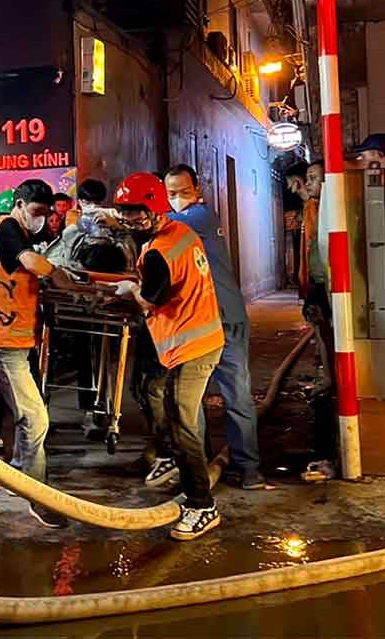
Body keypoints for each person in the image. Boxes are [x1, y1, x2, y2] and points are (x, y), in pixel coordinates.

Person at [113, 173, 225, 541]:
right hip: (201, 338)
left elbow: (151, 301)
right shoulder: (180, 233)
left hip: (190, 347)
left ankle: (202, 505)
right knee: (157, 395)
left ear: (153, 209)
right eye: (124, 212)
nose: (128, 219)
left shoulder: (159, 252)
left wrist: (130, 289)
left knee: (181, 421)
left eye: (134, 212)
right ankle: (176, 463)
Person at [0, 179, 76, 527]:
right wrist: (59, 275)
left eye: (46, 213)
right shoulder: (7, 229)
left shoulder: (17, 232)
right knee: (35, 419)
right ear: (19, 205)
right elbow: (30, 262)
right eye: (36, 211)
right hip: (2, 343)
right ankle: (37, 496)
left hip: (12, 341)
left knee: (25, 416)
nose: (41, 218)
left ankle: (18, 473)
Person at [163, 164, 268, 491]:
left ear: (197, 191)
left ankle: (243, 469)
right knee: (205, 397)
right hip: (209, 319)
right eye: (171, 193)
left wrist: (115, 217)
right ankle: (207, 468)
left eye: (183, 192)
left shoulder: (199, 217)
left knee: (225, 396)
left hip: (220, 320)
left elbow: (159, 224)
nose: (177, 198)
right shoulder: (182, 225)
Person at [301, 160, 336, 396]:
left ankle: (333, 379)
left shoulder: (332, 209)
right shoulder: (317, 208)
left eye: (313, 178)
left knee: (329, 333)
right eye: (308, 178)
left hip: (329, 282)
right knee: (323, 332)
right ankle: (330, 378)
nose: (308, 184)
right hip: (319, 282)